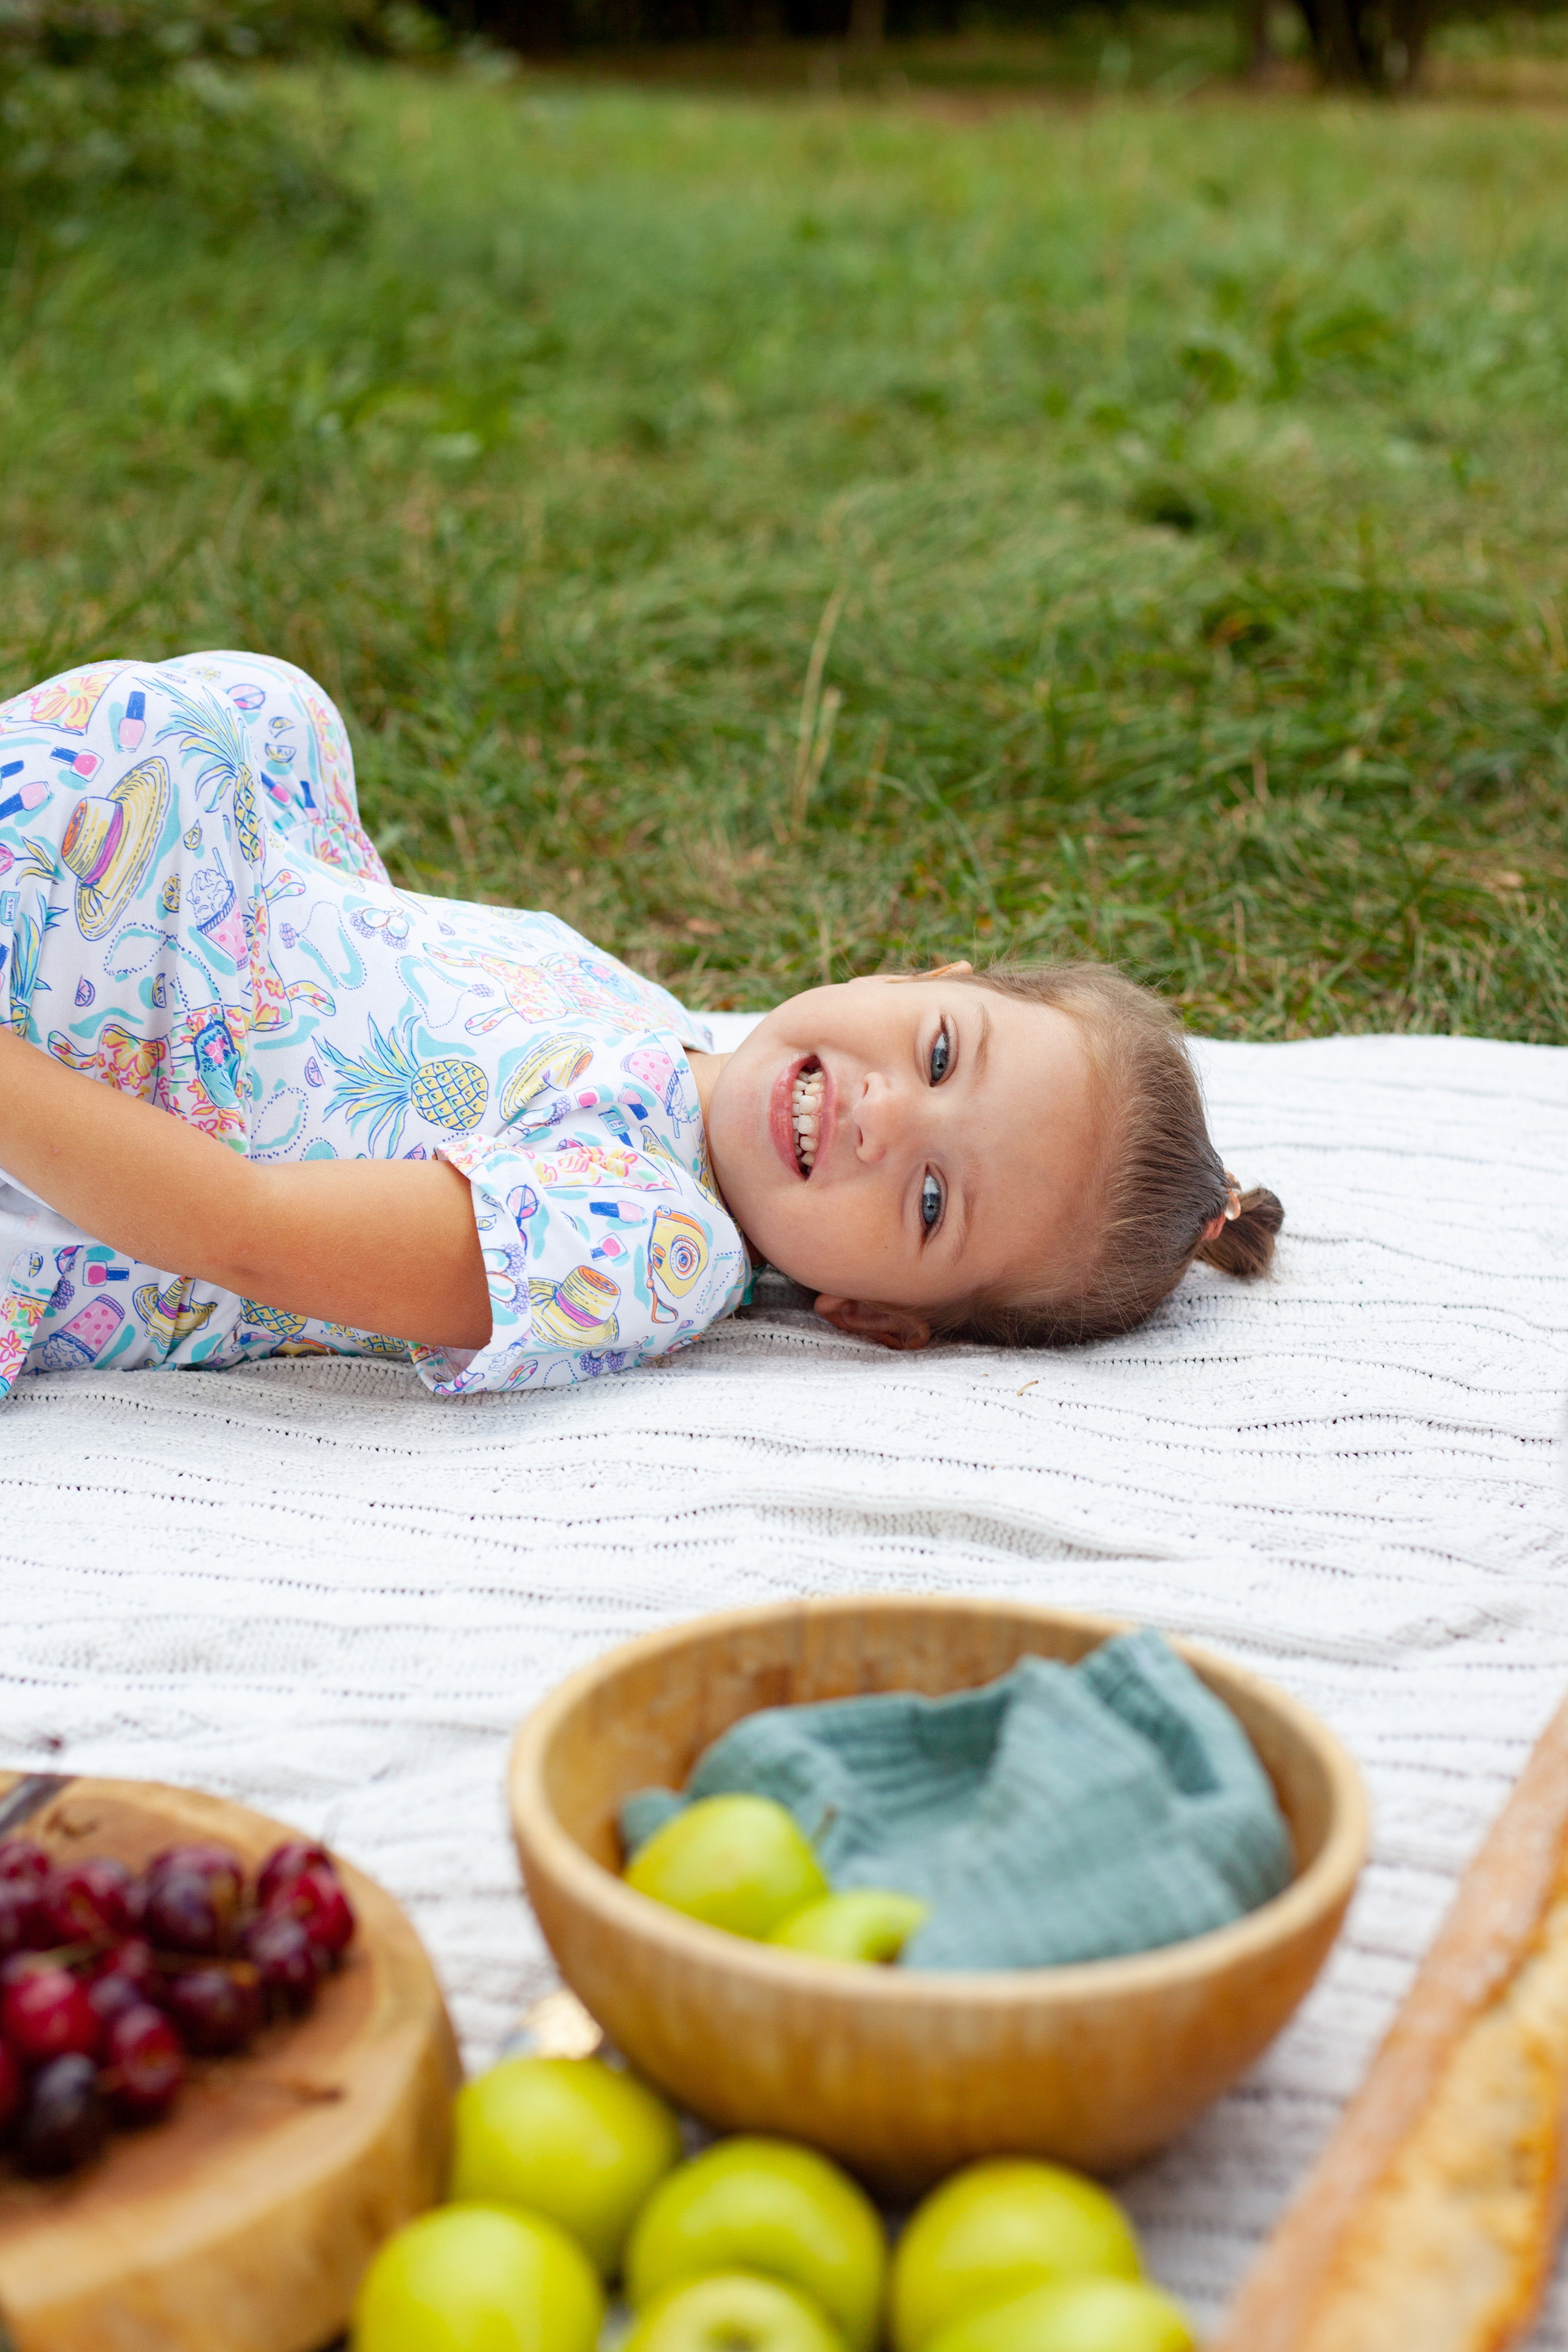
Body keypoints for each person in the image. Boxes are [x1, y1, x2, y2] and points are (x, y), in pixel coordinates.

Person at [0, 652, 1282, 1402]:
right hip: (163, 973)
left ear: (875, 1316)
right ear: (923, 973)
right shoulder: (645, 1023)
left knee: (163, 748)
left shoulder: (651, 1242)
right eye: (940, 1053)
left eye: (932, 1203)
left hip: (93, 1135)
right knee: (259, 715)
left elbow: (251, 1233)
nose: (888, 1117)